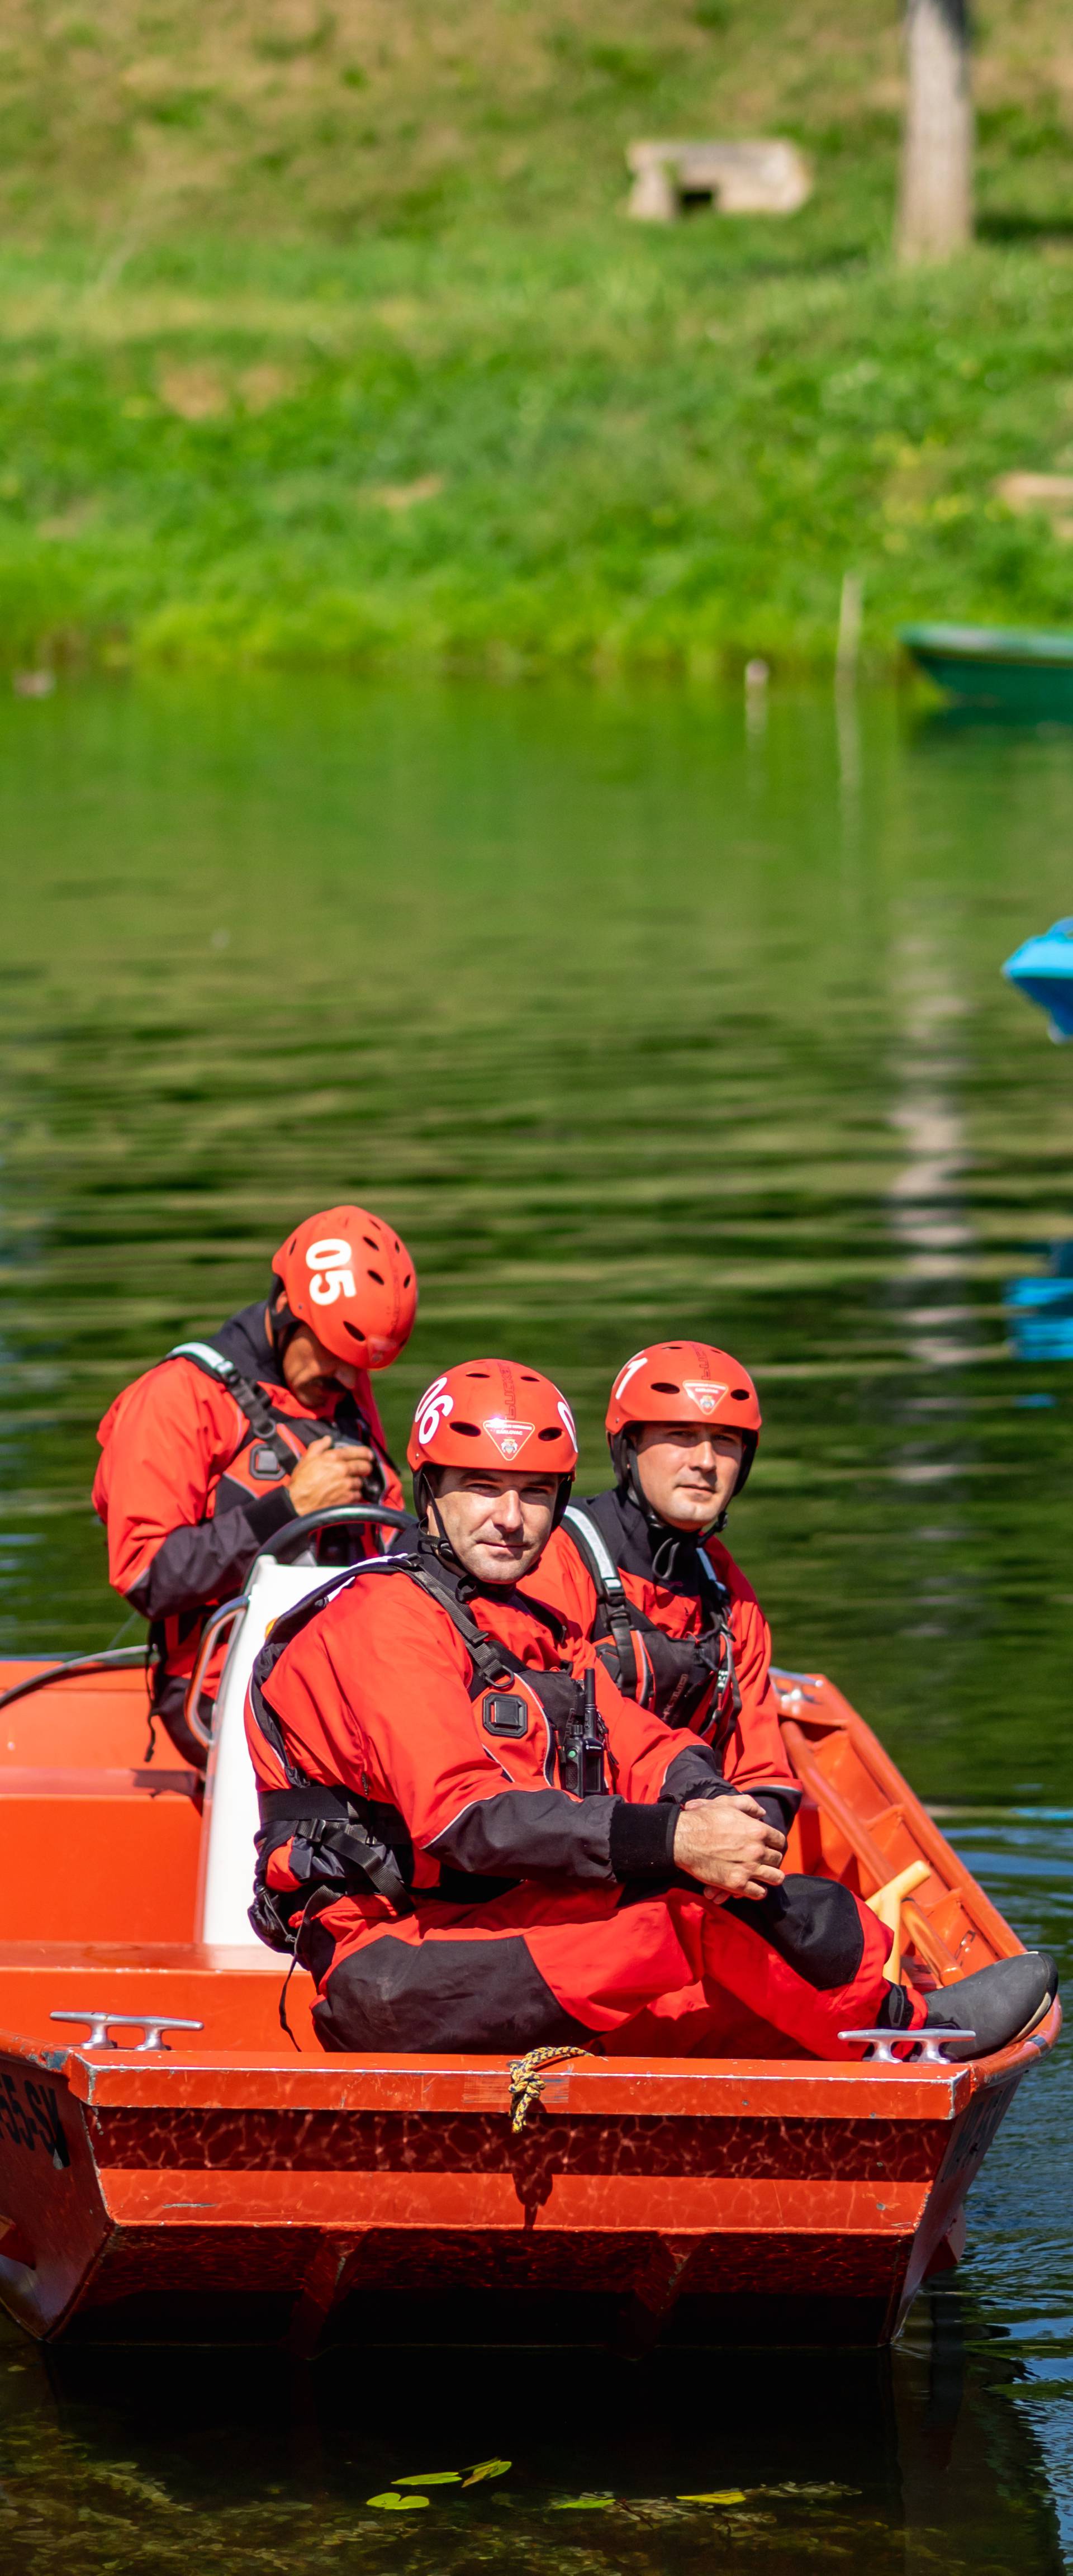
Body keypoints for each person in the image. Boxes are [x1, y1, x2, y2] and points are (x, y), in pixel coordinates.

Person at [244, 1357, 1055, 2063]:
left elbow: (625, 1731)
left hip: (474, 1927)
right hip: (388, 1966)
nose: (509, 1516)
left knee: (731, 1910)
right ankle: (911, 2034)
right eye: (482, 1487)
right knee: (687, 1915)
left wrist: (705, 1797)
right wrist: (673, 1840)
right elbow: (466, 1820)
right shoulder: (386, 1622)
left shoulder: (512, 1617)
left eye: (533, 1493)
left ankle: (843, 2046)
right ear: (429, 1490)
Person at [94, 1205, 417, 1764]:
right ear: (289, 1311)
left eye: (362, 1367)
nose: (347, 1380)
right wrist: (288, 1507)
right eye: (337, 1358)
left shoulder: (339, 1388)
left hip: (347, 1668)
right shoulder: (176, 1399)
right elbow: (147, 1577)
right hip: (220, 1686)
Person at [529, 1341, 797, 1830]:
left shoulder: (727, 1592)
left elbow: (762, 1767)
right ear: (628, 1446)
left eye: (725, 1440)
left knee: (832, 1908)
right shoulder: (553, 1558)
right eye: (681, 1435)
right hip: (583, 1842)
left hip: (699, 1843)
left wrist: (757, 1841)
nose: (706, 1462)